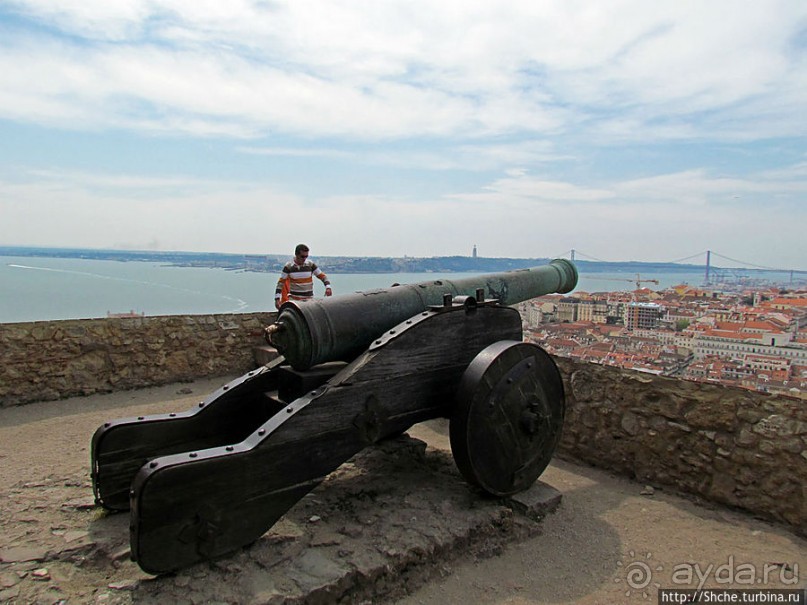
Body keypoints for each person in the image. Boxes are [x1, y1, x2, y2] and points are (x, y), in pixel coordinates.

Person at [274, 244, 332, 309]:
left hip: (309, 301)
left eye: (306, 256)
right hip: (294, 301)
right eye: (302, 256)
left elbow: (322, 276)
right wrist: (277, 299)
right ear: (296, 254)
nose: (304, 259)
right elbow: (281, 283)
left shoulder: (310, 265)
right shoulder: (289, 266)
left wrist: (328, 287)